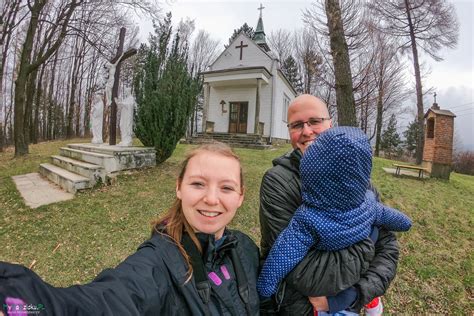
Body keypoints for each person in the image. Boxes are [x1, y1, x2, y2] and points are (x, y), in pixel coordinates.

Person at [0, 143, 260, 315]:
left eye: (226, 187)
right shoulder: (158, 262)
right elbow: (106, 302)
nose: (212, 199)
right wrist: (20, 303)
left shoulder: (246, 248)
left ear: (240, 196)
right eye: (198, 184)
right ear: (179, 187)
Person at [259, 94, 400, 315]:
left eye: (314, 121)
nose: (306, 131)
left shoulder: (357, 175)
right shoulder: (278, 182)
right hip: (299, 306)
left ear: (330, 124)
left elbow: (389, 249)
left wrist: (350, 296)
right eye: (297, 125)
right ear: (289, 133)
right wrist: (368, 241)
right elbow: (301, 271)